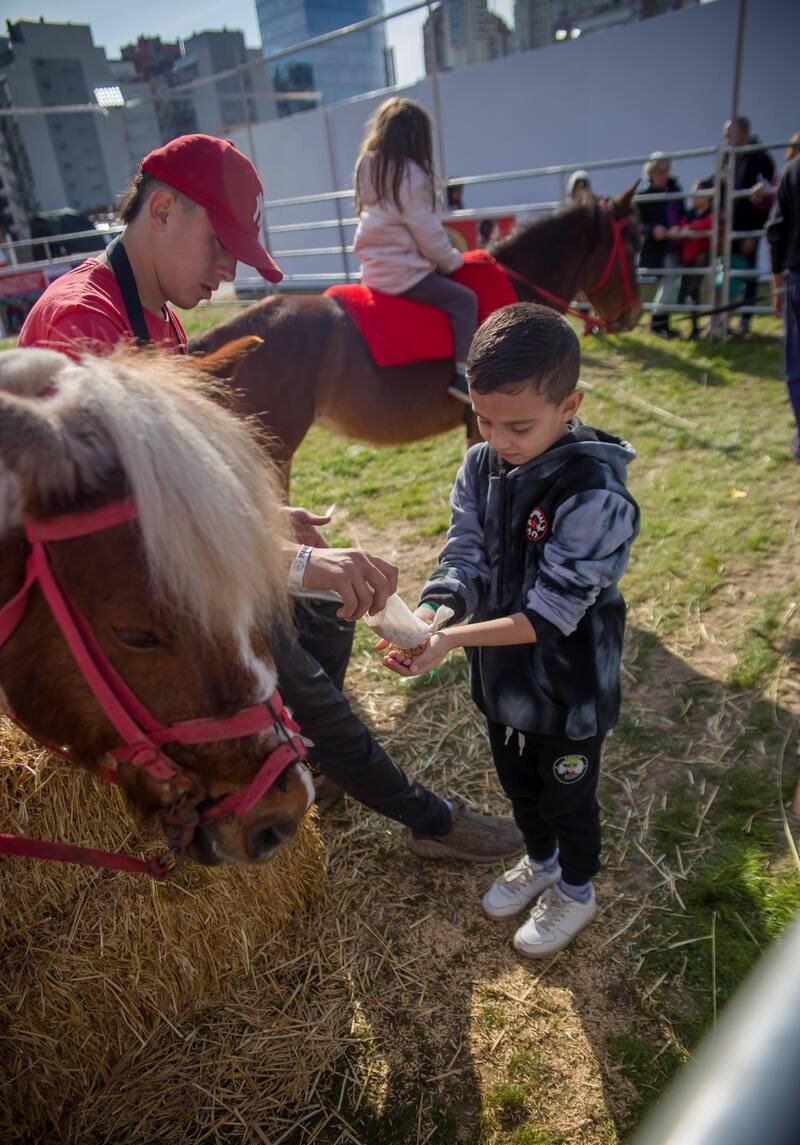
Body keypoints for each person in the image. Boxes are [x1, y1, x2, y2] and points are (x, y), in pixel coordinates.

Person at [18, 133, 524, 865]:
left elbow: (170, 488)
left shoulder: (154, 315)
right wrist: (286, 562)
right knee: (292, 651)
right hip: (112, 609)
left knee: (325, 610)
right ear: (162, 210)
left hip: (147, 584)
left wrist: (264, 523)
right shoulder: (85, 322)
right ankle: (429, 820)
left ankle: (308, 757)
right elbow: (138, 537)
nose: (227, 274)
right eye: (220, 247)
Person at [380, 304, 640, 957]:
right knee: (519, 783)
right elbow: (463, 556)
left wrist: (452, 642)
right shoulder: (480, 466)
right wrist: (431, 618)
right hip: (504, 678)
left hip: (569, 685)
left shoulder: (596, 493)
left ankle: (576, 886)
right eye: (484, 420)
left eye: (519, 425)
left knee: (568, 795)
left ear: (570, 403)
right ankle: (541, 858)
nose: (498, 439)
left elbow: (553, 614)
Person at [353, 98, 478, 403]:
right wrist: (452, 261)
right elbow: (428, 233)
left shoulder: (367, 164)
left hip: (373, 271)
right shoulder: (411, 174)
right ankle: (464, 377)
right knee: (465, 300)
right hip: (405, 274)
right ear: (416, 136)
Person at [722, 116, 776, 336]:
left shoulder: (761, 158)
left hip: (749, 228)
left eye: (729, 134)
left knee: (749, 274)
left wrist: (755, 233)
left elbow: (768, 194)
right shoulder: (729, 158)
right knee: (726, 273)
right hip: (729, 227)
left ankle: (746, 318)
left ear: (742, 133)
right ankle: (724, 318)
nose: (726, 139)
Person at [766, 150, 800, 462]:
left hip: (796, 277)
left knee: (796, 364)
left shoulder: (791, 171)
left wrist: (778, 283)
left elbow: (776, 230)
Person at [637, 153, 686, 339]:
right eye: (660, 171)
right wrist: (652, 229)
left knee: (671, 286)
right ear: (651, 172)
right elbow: (637, 225)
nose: (664, 174)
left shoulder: (675, 192)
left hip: (676, 246)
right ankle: (657, 324)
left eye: (667, 170)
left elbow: (683, 214)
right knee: (668, 284)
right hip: (657, 250)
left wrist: (680, 227)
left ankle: (663, 324)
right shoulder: (643, 197)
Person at [673, 177, 716, 340]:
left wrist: (688, 229)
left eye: (698, 192)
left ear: (708, 196)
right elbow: (680, 233)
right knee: (691, 295)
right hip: (687, 260)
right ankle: (695, 328)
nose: (694, 195)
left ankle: (702, 328)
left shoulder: (712, 213)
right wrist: (684, 231)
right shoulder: (690, 214)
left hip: (703, 261)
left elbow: (707, 225)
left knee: (696, 293)